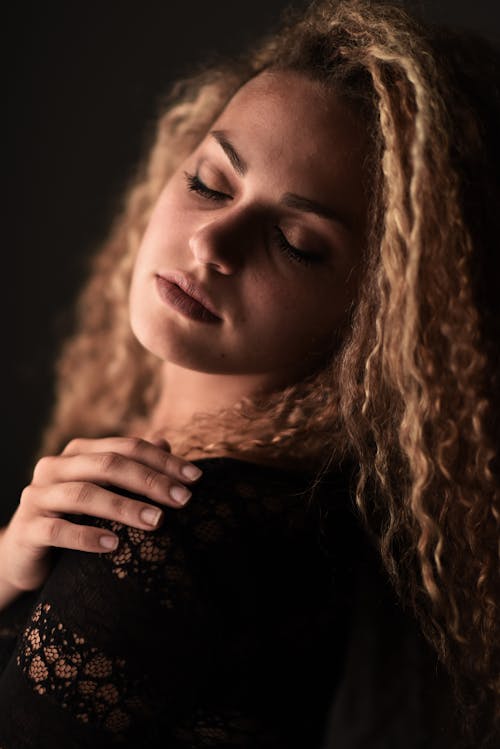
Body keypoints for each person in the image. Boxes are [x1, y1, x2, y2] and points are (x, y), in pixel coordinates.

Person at [0, 0, 499, 746]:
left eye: (297, 242)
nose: (212, 243)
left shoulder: (165, 532)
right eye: (209, 180)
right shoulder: (270, 505)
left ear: (379, 316)